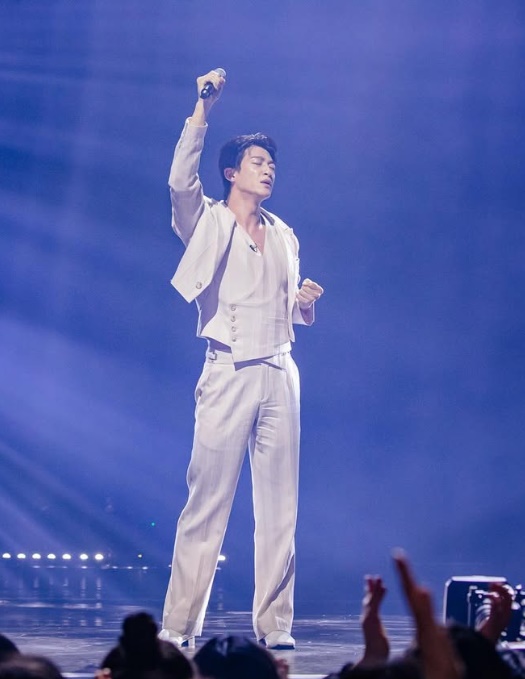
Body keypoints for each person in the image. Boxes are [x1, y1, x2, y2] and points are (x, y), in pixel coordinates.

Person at [159, 69, 323, 651]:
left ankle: (275, 625)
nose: (268, 169)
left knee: (280, 509)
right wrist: (203, 108)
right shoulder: (207, 220)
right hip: (228, 368)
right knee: (207, 502)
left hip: (281, 371)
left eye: (271, 163)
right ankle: (180, 625)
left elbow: (286, 309)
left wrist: (304, 304)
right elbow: (180, 180)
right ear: (232, 172)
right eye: (257, 161)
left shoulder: (285, 234)